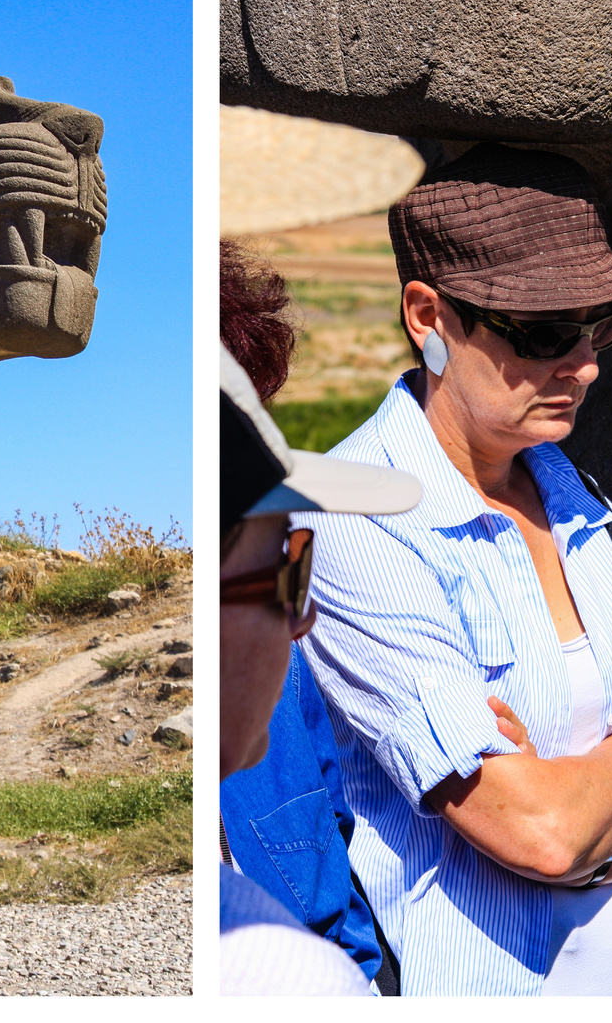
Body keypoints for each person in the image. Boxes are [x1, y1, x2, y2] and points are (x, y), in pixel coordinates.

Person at [294, 143, 612, 995]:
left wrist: (582, 810)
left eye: (602, 324)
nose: (584, 364)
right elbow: (537, 833)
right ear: (426, 316)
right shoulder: (355, 521)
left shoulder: (581, 503)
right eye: (543, 333)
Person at [218, 344, 421, 995]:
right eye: (289, 570)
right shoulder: (262, 966)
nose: (303, 619)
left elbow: (337, 875)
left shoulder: (290, 680)